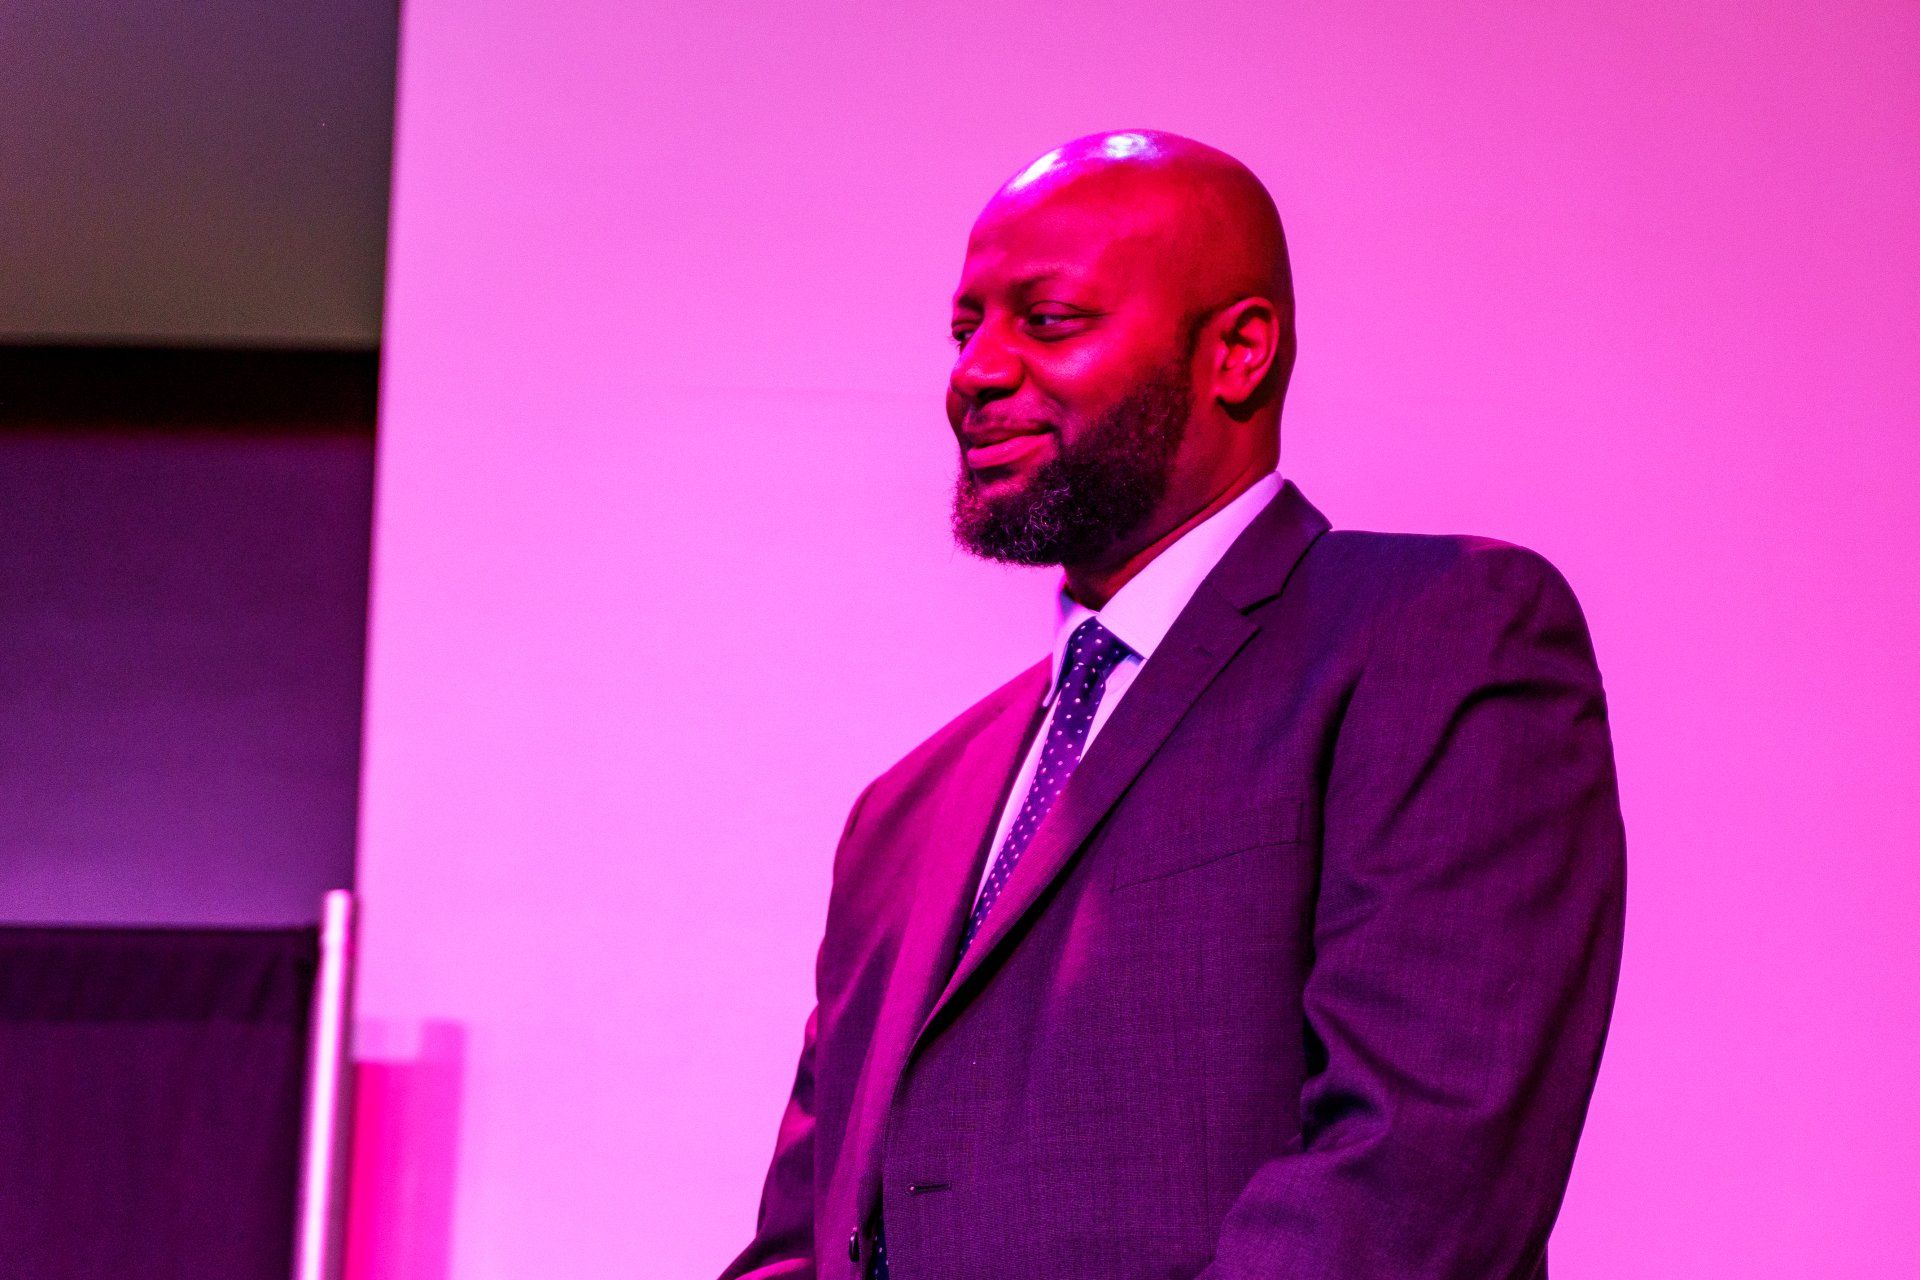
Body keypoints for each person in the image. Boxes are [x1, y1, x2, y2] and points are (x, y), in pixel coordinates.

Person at [721, 129, 1626, 1280]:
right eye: (965, 328)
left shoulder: (1437, 633)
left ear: (1238, 351)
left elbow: (1409, 1181)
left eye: (1048, 320)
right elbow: (806, 1240)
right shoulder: (906, 811)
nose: (977, 370)